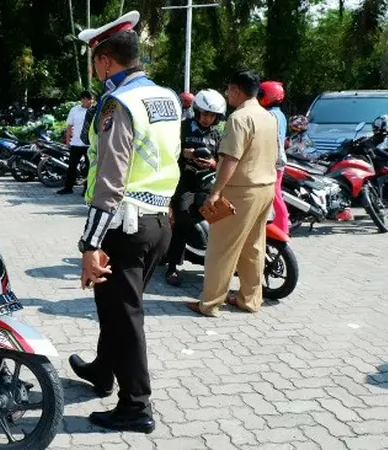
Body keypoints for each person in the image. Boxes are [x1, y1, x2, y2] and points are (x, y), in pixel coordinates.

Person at [69, 10, 181, 434]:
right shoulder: (165, 96)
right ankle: (102, 370)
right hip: (157, 221)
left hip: (124, 225)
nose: (95, 67)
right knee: (115, 308)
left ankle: (135, 405)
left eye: (95, 59)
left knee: (125, 315)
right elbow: (170, 157)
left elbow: (111, 181)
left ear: (105, 61)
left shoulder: (119, 104)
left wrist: (89, 245)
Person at [187, 70, 278, 318]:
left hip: (241, 192)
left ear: (236, 90)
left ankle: (209, 303)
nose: (227, 94)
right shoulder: (268, 117)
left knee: (221, 249)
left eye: (228, 90)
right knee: (253, 247)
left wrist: (215, 193)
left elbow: (230, 160)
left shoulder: (239, 119)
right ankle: (250, 300)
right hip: (265, 188)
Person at [165, 89, 226, 287]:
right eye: (205, 114)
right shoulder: (182, 128)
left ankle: (216, 263)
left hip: (208, 184)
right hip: (185, 184)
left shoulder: (217, 134)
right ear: (197, 111)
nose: (207, 119)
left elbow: (222, 161)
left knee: (220, 218)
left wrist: (213, 164)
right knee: (182, 219)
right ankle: (172, 266)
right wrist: (186, 155)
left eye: (212, 115)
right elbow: (168, 153)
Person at [258, 80, 290, 234]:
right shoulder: (279, 114)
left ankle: (282, 230)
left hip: (273, 162)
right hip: (277, 161)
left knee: (275, 197)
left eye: (260, 94)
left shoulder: (270, 115)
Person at [57, 91, 95, 195]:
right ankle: (68, 188)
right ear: (83, 99)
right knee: (72, 167)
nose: (91, 101)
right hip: (76, 143)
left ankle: (87, 190)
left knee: (89, 168)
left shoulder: (95, 111)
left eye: (92, 99)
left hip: (90, 145)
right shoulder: (75, 110)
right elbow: (69, 126)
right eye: (89, 99)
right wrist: (68, 140)